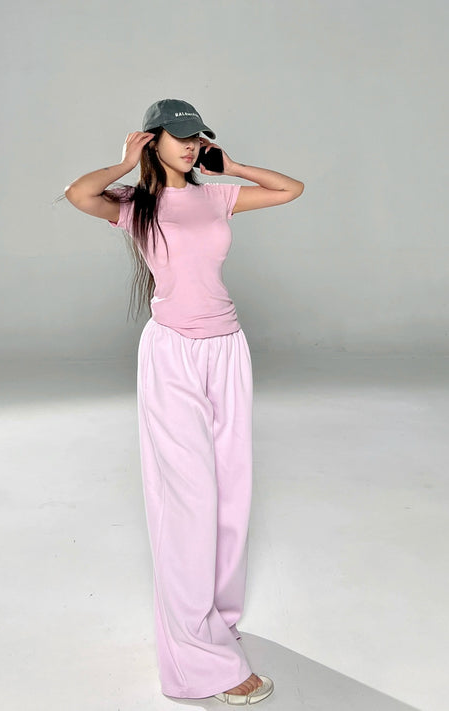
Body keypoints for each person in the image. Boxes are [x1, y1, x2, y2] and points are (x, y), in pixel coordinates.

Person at [63, 98, 304, 704]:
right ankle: (199, 664)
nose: (192, 145)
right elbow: (78, 193)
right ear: (153, 139)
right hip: (173, 354)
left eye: (197, 136)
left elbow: (290, 190)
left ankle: (216, 620)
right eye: (179, 137)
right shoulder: (133, 204)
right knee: (190, 501)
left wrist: (234, 166)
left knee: (230, 493)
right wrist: (124, 163)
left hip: (227, 349)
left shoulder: (216, 196)